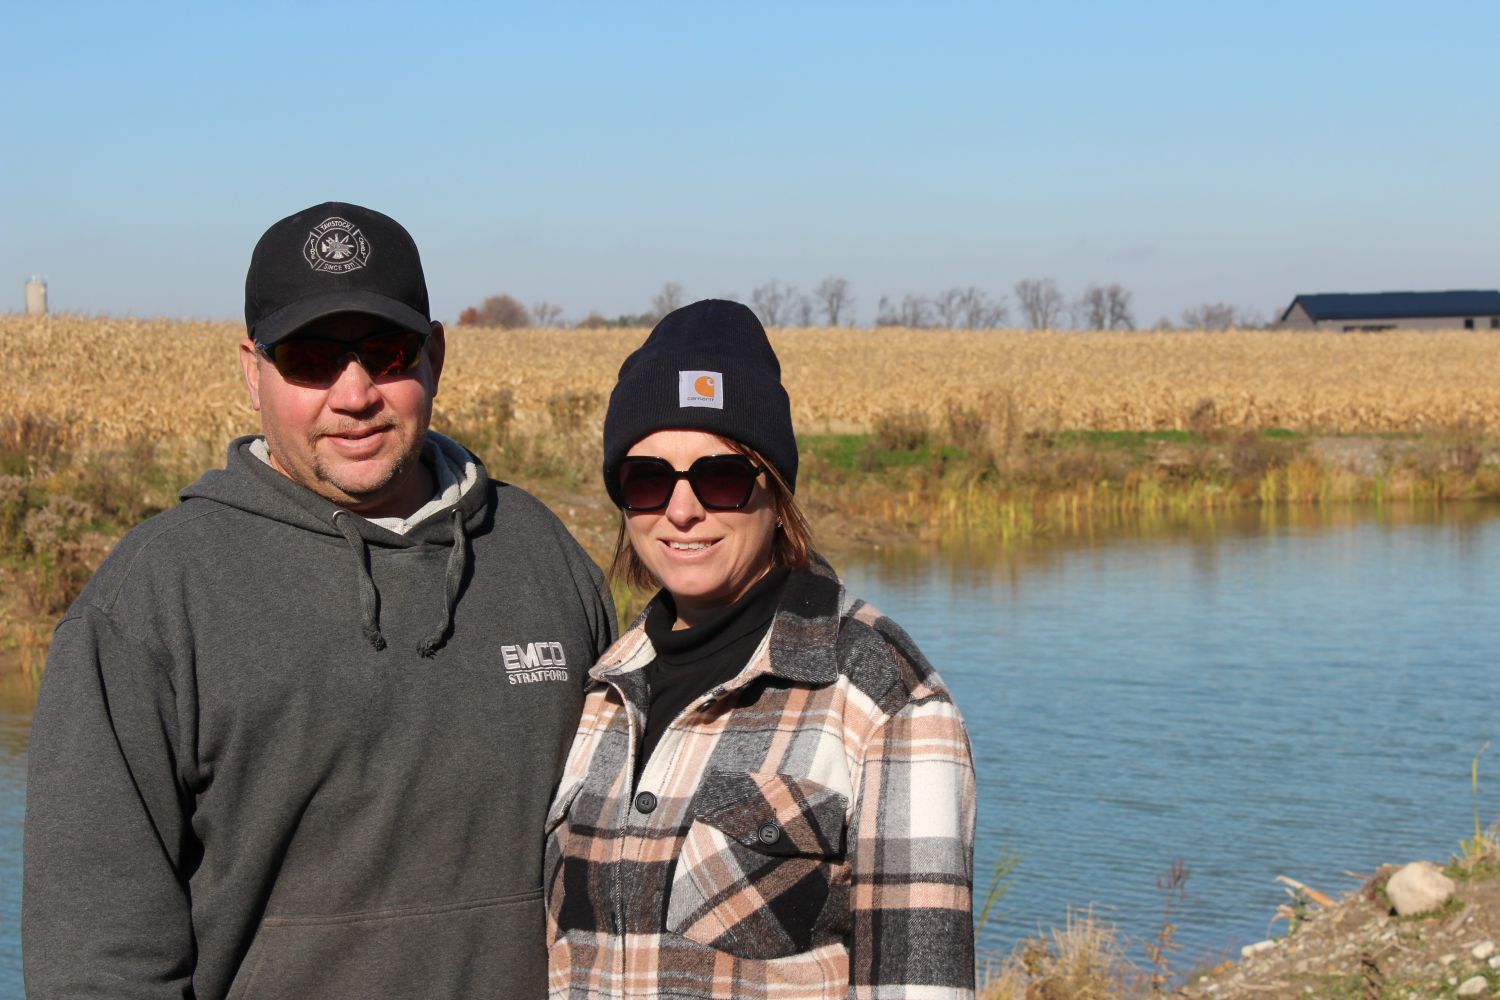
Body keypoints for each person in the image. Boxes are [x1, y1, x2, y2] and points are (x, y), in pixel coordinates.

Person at [23, 202, 616, 999]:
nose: (355, 393)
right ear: (252, 370)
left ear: (436, 357)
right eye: (310, 358)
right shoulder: (152, 602)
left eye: (388, 353)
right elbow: (97, 964)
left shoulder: (542, 556)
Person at [544, 299, 976, 998]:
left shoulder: (883, 697)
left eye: (721, 477)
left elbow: (921, 982)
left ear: (776, 492)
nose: (682, 510)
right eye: (648, 479)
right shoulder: (603, 691)